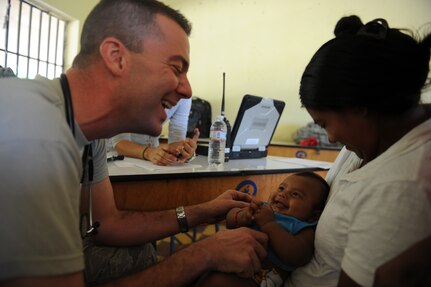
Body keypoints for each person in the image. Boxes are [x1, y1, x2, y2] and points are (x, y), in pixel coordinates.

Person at [0, 1, 268, 287]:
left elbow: (108, 225)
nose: (187, 89)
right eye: (176, 68)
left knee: (138, 253)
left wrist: (202, 211)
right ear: (116, 57)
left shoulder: (89, 136)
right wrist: (201, 255)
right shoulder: (35, 132)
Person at [285, 15, 431, 287]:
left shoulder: (401, 185)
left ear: (359, 107)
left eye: (325, 123)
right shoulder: (369, 139)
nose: (329, 136)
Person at [197, 171, 329, 287]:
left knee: (216, 282)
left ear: (314, 215)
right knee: (194, 266)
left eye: (295, 194)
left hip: (259, 275)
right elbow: (230, 221)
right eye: (281, 188)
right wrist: (242, 216)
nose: (283, 194)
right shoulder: (264, 208)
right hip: (228, 256)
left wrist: (269, 224)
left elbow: (298, 256)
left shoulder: (303, 227)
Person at [111, 97, 200, 166]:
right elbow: (119, 143)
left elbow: (176, 143)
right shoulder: (130, 88)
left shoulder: (184, 97)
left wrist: (184, 150)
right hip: (115, 157)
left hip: (151, 161)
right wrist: (149, 153)